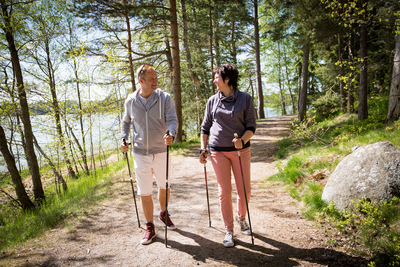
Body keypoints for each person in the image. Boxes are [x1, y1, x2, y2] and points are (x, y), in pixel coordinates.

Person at [199, 63, 256, 248]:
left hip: (240, 151)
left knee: (244, 190)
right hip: (217, 151)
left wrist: (242, 140)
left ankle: (241, 218)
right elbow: (205, 127)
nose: (214, 80)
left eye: (217, 77)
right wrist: (203, 148)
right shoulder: (212, 101)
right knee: (224, 191)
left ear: (227, 79)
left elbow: (251, 127)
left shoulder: (245, 99)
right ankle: (229, 230)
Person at [121, 64, 178, 245]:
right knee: (144, 191)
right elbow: (126, 122)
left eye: (156, 78)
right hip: (140, 153)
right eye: (152, 79)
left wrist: (171, 133)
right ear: (141, 81)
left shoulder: (164, 98)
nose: (156, 81)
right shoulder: (130, 100)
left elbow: (172, 120)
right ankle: (150, 227)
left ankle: (163, 212)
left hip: (161, 150)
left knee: (164, 186)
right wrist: (124, 138)